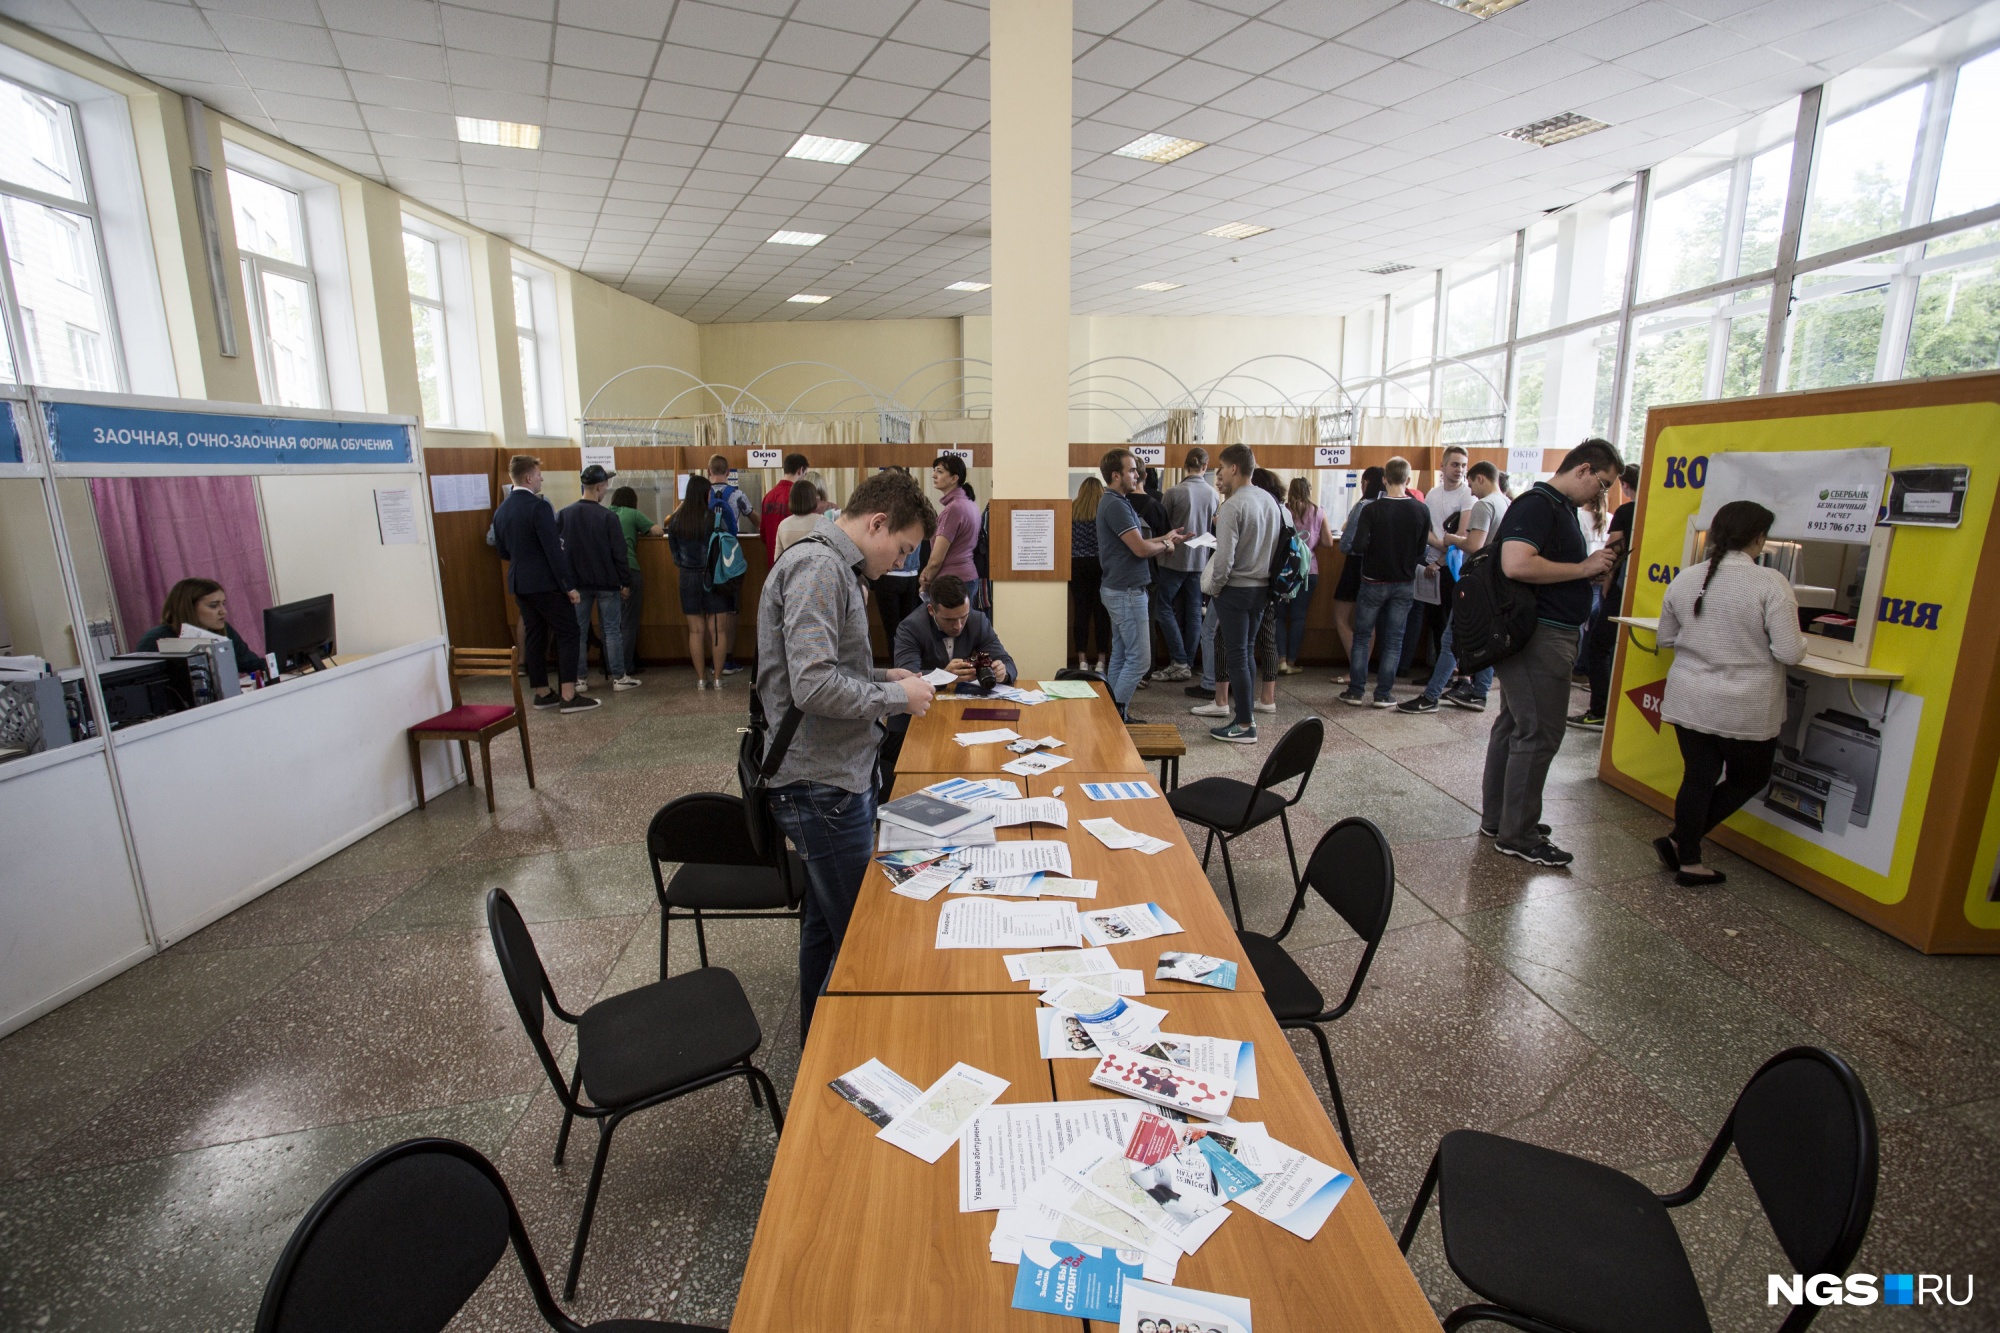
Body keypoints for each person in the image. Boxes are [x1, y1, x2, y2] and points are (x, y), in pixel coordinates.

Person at [758, 468, 937, 1039]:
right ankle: (847, 1050)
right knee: (858, 932)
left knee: (823, 924)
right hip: (820, 781)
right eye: (902, 549)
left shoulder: (836, 566)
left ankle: (817, 1039)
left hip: (835, 774)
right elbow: (811, 686)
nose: (900, 563)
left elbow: (824, 668)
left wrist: (885, 675)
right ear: (877, 522)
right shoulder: (818, 567)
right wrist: (893, 695)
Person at [1481, 438, 1623, 866]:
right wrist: (1583, 569)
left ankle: (1503, 817)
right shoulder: (1538, 505)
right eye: (1602, 484)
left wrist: (1588, 570)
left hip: (1541, 633)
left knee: (1515, 725)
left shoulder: (1557, 508)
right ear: (1582, 470)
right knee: (1539, 732)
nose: (1601, 495)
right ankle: (1517, 833)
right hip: (1539, 636)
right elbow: (1516, 563)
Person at [1656, 501, 1805, 886]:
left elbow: (1667, 638)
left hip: (1690, 697)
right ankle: (1681, 845)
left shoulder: (1686, 578)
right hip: (1744, 705)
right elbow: (1789, 651)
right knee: (1748, 778)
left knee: (1698, 778)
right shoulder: (1770, 583)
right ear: (1759, 538)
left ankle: (1686, 854)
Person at [1398, 460, 1509, 714]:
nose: (1471, 491)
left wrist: (1452, 539)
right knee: (1484, 638)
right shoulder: (1504, 502)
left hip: (1476, 581)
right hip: (1493, 582)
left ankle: (1431, 696)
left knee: (1450, 639)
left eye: (1471, 483)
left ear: (1481, 478)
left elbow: (1475, 545)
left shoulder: (1484, 504)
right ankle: (1479, 693)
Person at [492, 455, 596, 713]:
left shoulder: (502, 510)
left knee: (535, 634)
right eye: (539, 474)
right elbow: (553, 550)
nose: (541, 478)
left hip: (520, 583)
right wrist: (568, 586)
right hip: (546, 584)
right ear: (528, 478)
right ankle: (569, 695)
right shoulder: (538, 508)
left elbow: (503, 551)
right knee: (569, 632)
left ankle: (542, 692)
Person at [1199, 443, 1279, 744]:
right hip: (1262, 589)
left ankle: (1244, 724)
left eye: (1222, 467)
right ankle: (1247, 717)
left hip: (1236, 589)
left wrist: (1215, 589)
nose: (1219, 474)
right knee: (1246, 652)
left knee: (1236, 655)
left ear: (1234, 468)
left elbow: (1224, 559)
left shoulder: (1233, 505)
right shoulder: (1268, 500)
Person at [1097, 447, 1185, 722]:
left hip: (1122, 589)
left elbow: (1140, 543)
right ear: (1116, 475)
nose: (1137, 474)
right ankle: (1114, 716)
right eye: (1132, 470)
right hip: (1126, 592)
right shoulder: (1115, 503)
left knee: (1122, 657)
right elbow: (1139, 550)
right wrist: (1166, 544)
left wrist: (1164, 538)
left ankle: (1113, 713)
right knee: (1140, 660)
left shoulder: (1117, 501)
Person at [1339, 456, 1433, 708]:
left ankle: (1356, 691)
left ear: (1384, 479)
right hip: (1404, 582)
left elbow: (1357, 546)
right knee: (1393, 639)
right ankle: (1383, 694)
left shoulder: (1371, 509)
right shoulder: (1421, 510)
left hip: (1373, 581)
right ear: (1408, 480)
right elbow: (1421, 551)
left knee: (1362, 636)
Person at [1572, 462, 1640, 729]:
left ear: (1624, 485)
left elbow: (1614, 553)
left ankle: (1599, 710)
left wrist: (1608, 583)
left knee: (1599, 647)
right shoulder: (1658, 510)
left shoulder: (1626, 512)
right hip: (1648, 590)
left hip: (1620, 590)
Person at [559, 463, 637, 692]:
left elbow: (559, 551)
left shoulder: (564, 514)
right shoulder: (607, 517)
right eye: (605, 487)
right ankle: (619, 677)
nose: (606, 491)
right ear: (599, 487)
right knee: (612, 629)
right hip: (607, 582)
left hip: (577, 584)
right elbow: (619, 554)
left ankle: (580, 679)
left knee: (579, 631)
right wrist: (625, 581)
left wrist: (566, 583)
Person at [1156, 448, 1217, 686]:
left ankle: (1179, 660)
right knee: (1193, 612)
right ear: (1205, 466)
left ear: (1184, 466)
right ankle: (1188, 662)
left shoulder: (1172, 492)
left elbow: (1163, 526)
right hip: (1199, 561)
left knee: (1163, 608)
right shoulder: (1212, 494)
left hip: (1172, 559)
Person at [893, 573, 1017, 686]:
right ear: (931, 610)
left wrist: (1003, 673)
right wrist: (943, 676)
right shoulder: (910, 627)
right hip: (927, 701)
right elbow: (906, 677)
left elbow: (1008, 663)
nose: (958, 625)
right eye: (949, 620)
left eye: (963, 617)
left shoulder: (977, 621)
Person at [667, 473, 731, 688]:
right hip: (713, 577)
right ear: (705, 495)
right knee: (717, 630)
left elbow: (675, 555)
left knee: (696, 630)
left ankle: (701, 680)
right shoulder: (714, 518)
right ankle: (718, 679)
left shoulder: (675, 520)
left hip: (687, 577)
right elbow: (724, 549)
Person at [136, 578, 263, 674]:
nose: (223, 611)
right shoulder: (155, 639)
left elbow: (251, 664)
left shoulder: (222, 629)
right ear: (188, 608)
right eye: (213, 605)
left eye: (223, 604)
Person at [1421, 446, 1475, 663]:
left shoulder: (1468, 495)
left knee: (1451, 623)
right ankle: (1435, 670)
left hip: (1453, 568)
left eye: (1463, 465)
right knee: (1435, 621)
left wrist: (1442, 560)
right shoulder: (1433, 494)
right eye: (1455, 464)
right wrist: (1440, 544)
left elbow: (1462, 537)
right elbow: (1426, 529)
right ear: (1442, 466)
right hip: (1431, 561)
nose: (1459, 470)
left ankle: (1453, 673)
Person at [1330, 466, 1385, 669]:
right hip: (1377, 568)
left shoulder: (1363, 505)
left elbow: (1346, 543)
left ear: (1366, 482)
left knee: (1340, 617)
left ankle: (1356, 667)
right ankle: (1361, 668)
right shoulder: (1386, 505)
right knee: (1368, 621)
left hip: (1355, 566)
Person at [608, 486, 661, 680]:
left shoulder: (605, 513)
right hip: (628, 569)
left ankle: (610, 665)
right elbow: (657, 531)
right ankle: (625, 668)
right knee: (629, 622)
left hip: (606, 574)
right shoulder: (632, 514)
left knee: (611, 623)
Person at [704, 457, 748, 677]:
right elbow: (754, 519)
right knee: (730, 609)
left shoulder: (702, 494)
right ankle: (727, 659)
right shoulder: (738, 494)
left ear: (708, 470)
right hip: (730, 558)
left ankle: (713, 661)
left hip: (707, 558)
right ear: (729, 471)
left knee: (709, 610)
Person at [870, 470, 925, 648]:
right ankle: (905, 666)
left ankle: (900, 665)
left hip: (890, 577)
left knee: (893, 629)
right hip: (911, 576)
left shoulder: (888, 512)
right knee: (909, 629)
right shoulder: (917, 512)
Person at [1280, 476, 1325, 675]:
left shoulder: (1284, 510)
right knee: (1298, 618)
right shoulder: (1318, 511)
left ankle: (1280, 660)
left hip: (1285, 569)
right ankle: (1291, 662)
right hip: (1308, 570)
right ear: (1309, 490)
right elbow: (1329, 542)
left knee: (1279, 617)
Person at [921, 454, 981, 604]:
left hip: (952, 582)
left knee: (950, 625)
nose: (934, 475)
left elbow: (936, 559)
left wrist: (925, 579)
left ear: (954, 478)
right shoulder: (970, 504)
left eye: (940, 472)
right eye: (935, 471)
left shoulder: (954, 509)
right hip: (968, 577)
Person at [1070, 475, 1111, 673]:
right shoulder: (1104, 511)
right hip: (1101, 565)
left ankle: (1082, 660)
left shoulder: (1072, 509)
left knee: (1081, 612)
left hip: (1076, 564)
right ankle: (1102, 661)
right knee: (1102, 613)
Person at [760, 452, 808, 553]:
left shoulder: (768, 496)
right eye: (805, 474)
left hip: (772, 561)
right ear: (800, 470)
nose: (804, 478)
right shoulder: (798, 497)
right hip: (793, 558)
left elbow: (763, 535)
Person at [774, 479, 819, 555]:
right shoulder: (822, 521)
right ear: (812, 499)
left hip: (790, 566)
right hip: (817, 566)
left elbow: (777, 559)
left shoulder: (783, 525)